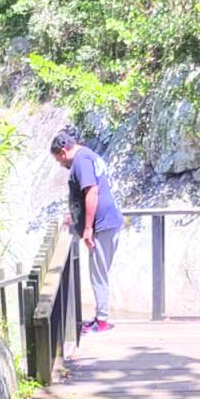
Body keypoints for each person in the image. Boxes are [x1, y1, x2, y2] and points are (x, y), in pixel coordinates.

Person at [50, 128, 124, 333]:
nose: (61, 164)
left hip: (102, 225)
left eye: (59, 160)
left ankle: (102, 321)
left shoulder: (80, 161)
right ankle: (100, 318)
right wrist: (75, 219)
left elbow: (91, 192)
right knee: (99, 271)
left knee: (98, 274)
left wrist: (88, 228)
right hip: (109, 221)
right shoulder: (89, 155)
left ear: (63, 152)